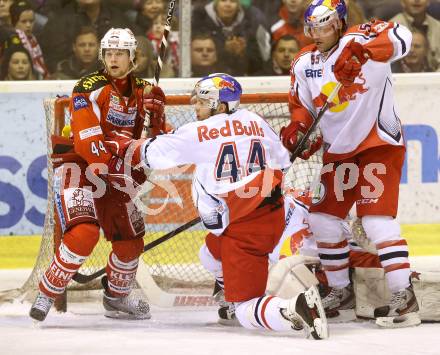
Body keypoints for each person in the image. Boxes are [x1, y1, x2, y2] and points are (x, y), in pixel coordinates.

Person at [120, 73, 328, 339]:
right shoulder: (254, 120)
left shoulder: (198, 132)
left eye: (202, 102)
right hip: (269, 214)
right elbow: (283, 162)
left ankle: (294, 307)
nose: (196, 107)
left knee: (245, 310)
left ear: (219, 105)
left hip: (243, 229)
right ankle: (228, 290)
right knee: (209, 253)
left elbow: (149, 155)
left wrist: (143, 130)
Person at [279, 0, 420, 328]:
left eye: (323, 26)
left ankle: (405, 296)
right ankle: (340, 290)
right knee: (322, 218)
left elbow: (403, 36)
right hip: (338, 152)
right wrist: (299, 130)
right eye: (311, 27)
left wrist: (362, 51)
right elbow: (301, 107)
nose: (316, 33)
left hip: (378, 144)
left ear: (339, 23)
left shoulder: (362, 37)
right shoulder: (303, 62)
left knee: (375, 220)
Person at [29, 27, 167, 322]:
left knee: (131, 240)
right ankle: (46, 292)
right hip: (79, 166)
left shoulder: (146, 90)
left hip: (116, 172)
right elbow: (87, 141)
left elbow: (157, 143)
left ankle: (116, 297)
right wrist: (119, 168)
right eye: (109, 53)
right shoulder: (88, 87)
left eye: (120, 53)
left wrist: (156, 121)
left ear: (134, 57)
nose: (113, 59)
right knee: (84, 234)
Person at [192, 0, 271, 75]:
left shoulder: (253, 19)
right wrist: (224, 49)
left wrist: (243, 52)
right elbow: (197, 55)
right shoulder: (199, 17)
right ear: (215, 2)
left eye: (233, 1)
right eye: (223, 0)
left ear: (239, 4)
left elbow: (263, 59)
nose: (228, 4)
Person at [391, 0, 440, 71]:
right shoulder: (390, 29)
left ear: (428, 2)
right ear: (402, 2)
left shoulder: (438, 28)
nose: (417, 0)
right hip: (400, 79)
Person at [10, 0, 50, 79]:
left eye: (31, 21)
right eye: (23, 22)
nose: (28, 25)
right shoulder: (11, 41)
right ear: (14, 21)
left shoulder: (33, 39)